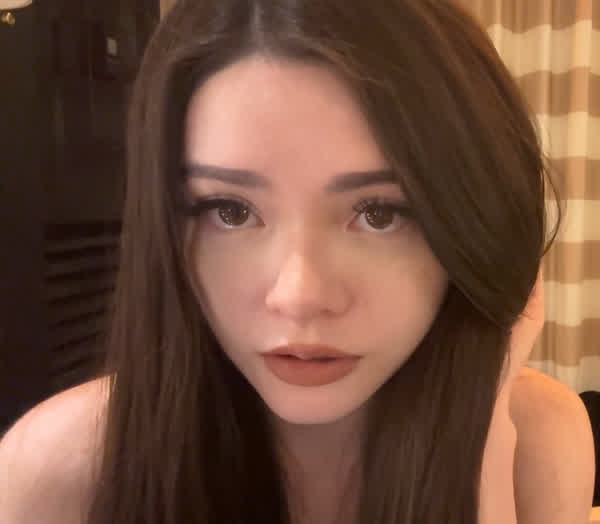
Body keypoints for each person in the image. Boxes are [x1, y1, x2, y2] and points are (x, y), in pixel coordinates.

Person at [0, 1, 595, 523]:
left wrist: (482, 449)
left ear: (475, 227)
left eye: (380, 213)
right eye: (230, 211)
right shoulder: (62, 468)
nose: (299, 295)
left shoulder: (537, 441)